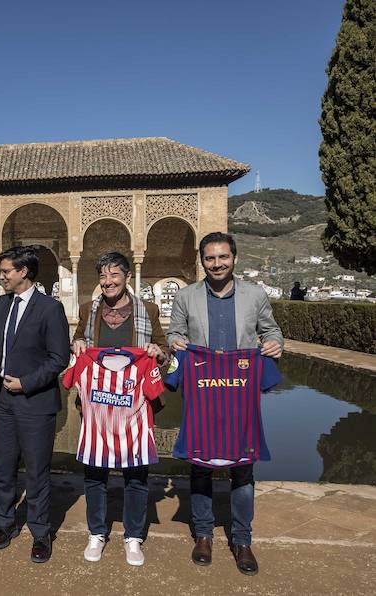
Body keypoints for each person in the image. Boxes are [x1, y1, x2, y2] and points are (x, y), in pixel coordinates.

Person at [167, 232, 284, 576]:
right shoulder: (186, 297)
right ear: (201, 260)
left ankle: (242, 539)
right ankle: (203, 534)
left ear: (234, 258)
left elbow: (271, 331)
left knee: (243, 468)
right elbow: (175, 333)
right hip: (203, 394)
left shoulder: (255, 294)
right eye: (209, 258)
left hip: (239, 394)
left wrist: (275, 344)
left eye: (223, 257)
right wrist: (176, 342)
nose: (216, 264)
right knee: (201, 466)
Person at [0, 246, 70, 563]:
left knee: (36, 473)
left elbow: (59, 359)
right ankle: (5, 525)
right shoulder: (1, 304)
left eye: (6, 270)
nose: (2, 276)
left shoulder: (50, 309)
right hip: (3, 400)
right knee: (4, 469)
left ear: (24, 272)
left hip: (35, 402)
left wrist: (27, 383)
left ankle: (40, 532)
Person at [69, 252, 168, 566]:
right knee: (95, 473)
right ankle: (97, 532)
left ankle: (133, 536)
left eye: (114, 276)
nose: (108, 282)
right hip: (98, 406)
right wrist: (78, 345)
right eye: (102, 276)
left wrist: (157, 352)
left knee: (136, 475)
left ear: (127, 276)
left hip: (134, 407)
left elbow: (164, 349)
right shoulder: (90, 309)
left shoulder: (147, 310)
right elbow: (77, 340)